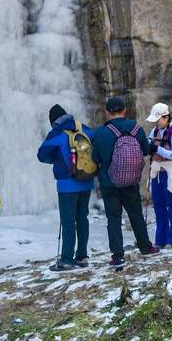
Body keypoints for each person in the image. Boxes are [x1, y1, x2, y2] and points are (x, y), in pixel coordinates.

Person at [92, 97, 157, 269]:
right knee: (135, 214)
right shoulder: (136, 128)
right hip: (130, 181)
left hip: (109, 182)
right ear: (124, 110)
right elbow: (146, 150)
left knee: (113, 219)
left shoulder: (100, 132)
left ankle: (117, 256)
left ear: (107, 112)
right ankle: (145, 247)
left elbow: (95, 158)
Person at [37, 105, 97, 272]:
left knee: (68, 222)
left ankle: (66, 260)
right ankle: (82, 256)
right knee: (82, 219)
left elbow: (41, 155)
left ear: (53, 121)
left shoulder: (56, 134)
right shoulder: (84, 128)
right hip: (86, 181)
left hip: (66, 184)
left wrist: (56, 159)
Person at [145, 102, 172, 248]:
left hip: (171, 173)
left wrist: (157, 149)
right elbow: (149, 145)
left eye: (157, 120)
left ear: (166, 117)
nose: (155, 123)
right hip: (157, 174)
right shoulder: (154, 132)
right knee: (159, 207)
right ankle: (160, 240)